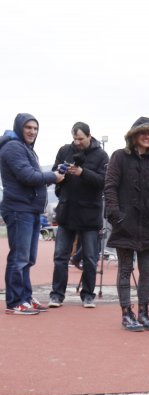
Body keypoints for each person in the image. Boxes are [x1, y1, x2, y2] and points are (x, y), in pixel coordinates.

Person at [104, 117, 149, 332]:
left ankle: (144, 312)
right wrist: (115, 214)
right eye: (143, 133)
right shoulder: (119, 157)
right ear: (133, 136)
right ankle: (126, 313)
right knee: (125, 269)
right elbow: (110, 186)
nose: (147, 137)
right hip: (126, 223)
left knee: (147, 271)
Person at [0, 113, 64, 315]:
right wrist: (53, 176)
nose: (32, 131)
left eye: (35, 128)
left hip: (30, 209)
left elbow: (32, 175)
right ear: (19, 128)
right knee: (19, 258)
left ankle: (25, 297)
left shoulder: (25, 148)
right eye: (28, 127)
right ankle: (14, 302)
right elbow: (28, 176)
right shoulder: (12, 147)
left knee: (27, 258)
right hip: (19, 209)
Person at [48, 122, 109, 309]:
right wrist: (60, 176)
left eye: (81, 139)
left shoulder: (101, 155)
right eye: (74, 138)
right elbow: (54, 173)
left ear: (90, 136)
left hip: (90, 213)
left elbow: (103, 182)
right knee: (60, 256)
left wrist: (83, 173)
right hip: (67, 211)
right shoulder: (64, 150)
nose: (77, 142)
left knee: (90, 257)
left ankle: (88, 295)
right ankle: (57, 295)